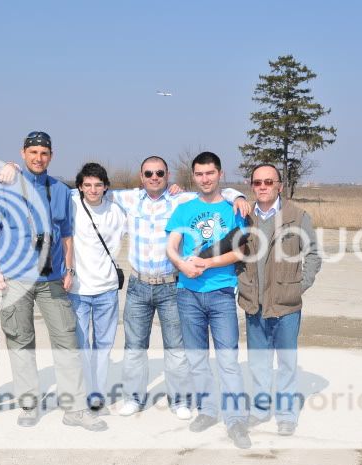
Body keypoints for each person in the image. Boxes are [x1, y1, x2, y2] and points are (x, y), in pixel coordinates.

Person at [109, 156, 249, 419]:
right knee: (134, 346)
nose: (154, 177)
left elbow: (218, 190)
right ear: (141, 176)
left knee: (176, 348)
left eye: (159, 173)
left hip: (171, 285)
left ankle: (180, 400)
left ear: (167, 174)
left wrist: (239, 194)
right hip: (139, 284)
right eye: (148, 173)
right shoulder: (129, 199)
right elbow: (89, 189)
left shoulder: (180, 200)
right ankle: (133, 397)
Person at [0, 131, 106, 431]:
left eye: (44, 153)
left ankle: (75, 409)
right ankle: (28, 404)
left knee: (66, 340)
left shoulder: (61, 190)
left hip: (52, 278)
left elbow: (66, 232)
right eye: (33, 152)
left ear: (51, 156)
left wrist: (69, 268)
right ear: (24, 153)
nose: (39, 158)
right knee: (20, 340)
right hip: (15, 277)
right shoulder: (6, 185)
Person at [165, 151, 252, 449]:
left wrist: (207, 264)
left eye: (210, 173)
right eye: (200, 174)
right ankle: (207, 411)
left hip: (221, 293)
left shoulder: (234, 210)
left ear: (220, 174)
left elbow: (241, 251)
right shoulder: (184, 210)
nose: (205, 179)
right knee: (197, 359)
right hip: (188, 294)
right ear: (194, 177)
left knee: (228, 360)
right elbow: (172, 245)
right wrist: (181, 264)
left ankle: (236, 420)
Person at [237, 164, 322, 436]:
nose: (263, 186)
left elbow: (313, 255)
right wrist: (243, 283)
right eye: (257, 182)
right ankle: (261, 410)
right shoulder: (244, 217)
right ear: (252, 186)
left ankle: (286, 415)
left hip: (286, 305)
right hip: (254, 303)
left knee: (286, 363)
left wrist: (298, 287)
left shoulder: (297, 217)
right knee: (259, 363)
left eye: (268, 182)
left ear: (280, 186)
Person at [68, 162, 126, 412]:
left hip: (107, 289)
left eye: (98, 185)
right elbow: (40, 187)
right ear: (79, 186)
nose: (93, 190)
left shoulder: (117, 210)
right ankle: (82, 390)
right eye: (87, 185)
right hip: (78, 289)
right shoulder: (70, 202)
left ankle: (97, 393)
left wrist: (236, 193)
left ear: (106, 187)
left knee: (103, 346)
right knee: (81, 346)